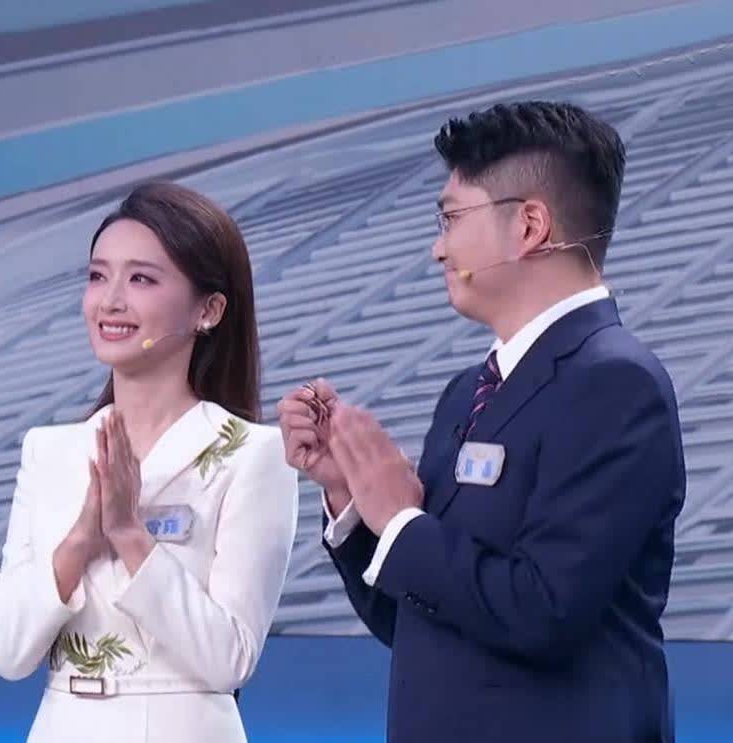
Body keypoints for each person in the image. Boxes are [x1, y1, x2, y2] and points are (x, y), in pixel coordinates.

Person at [278, 101, 684, 742]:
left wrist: (401, 521)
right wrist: (350, 497)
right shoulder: (467, 392)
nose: (438, 248)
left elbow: (544, 612)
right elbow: (418, 618)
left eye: (451, 218)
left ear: (529, 226)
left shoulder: (616, 383)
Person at [0, 182, 298, 742]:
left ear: (209, 310)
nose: (109, 301)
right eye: (97, 276)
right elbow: (6, 653)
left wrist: (130, 535)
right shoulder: (49, 452)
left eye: (141, 280)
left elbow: (230, 658)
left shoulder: (250, 455)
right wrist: (80, 542)